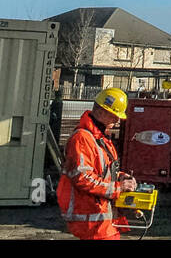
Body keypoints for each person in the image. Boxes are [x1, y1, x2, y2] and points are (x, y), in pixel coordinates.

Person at [57, 87, 137, 240]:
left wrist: (122, 177)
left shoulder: (100, 139)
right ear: (101, 111)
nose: (117, 120)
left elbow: (104, 172)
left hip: (101, 219)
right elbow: (83, 178)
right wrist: (118, 187)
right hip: (92, 219)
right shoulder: (82, 138)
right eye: (114, 115)